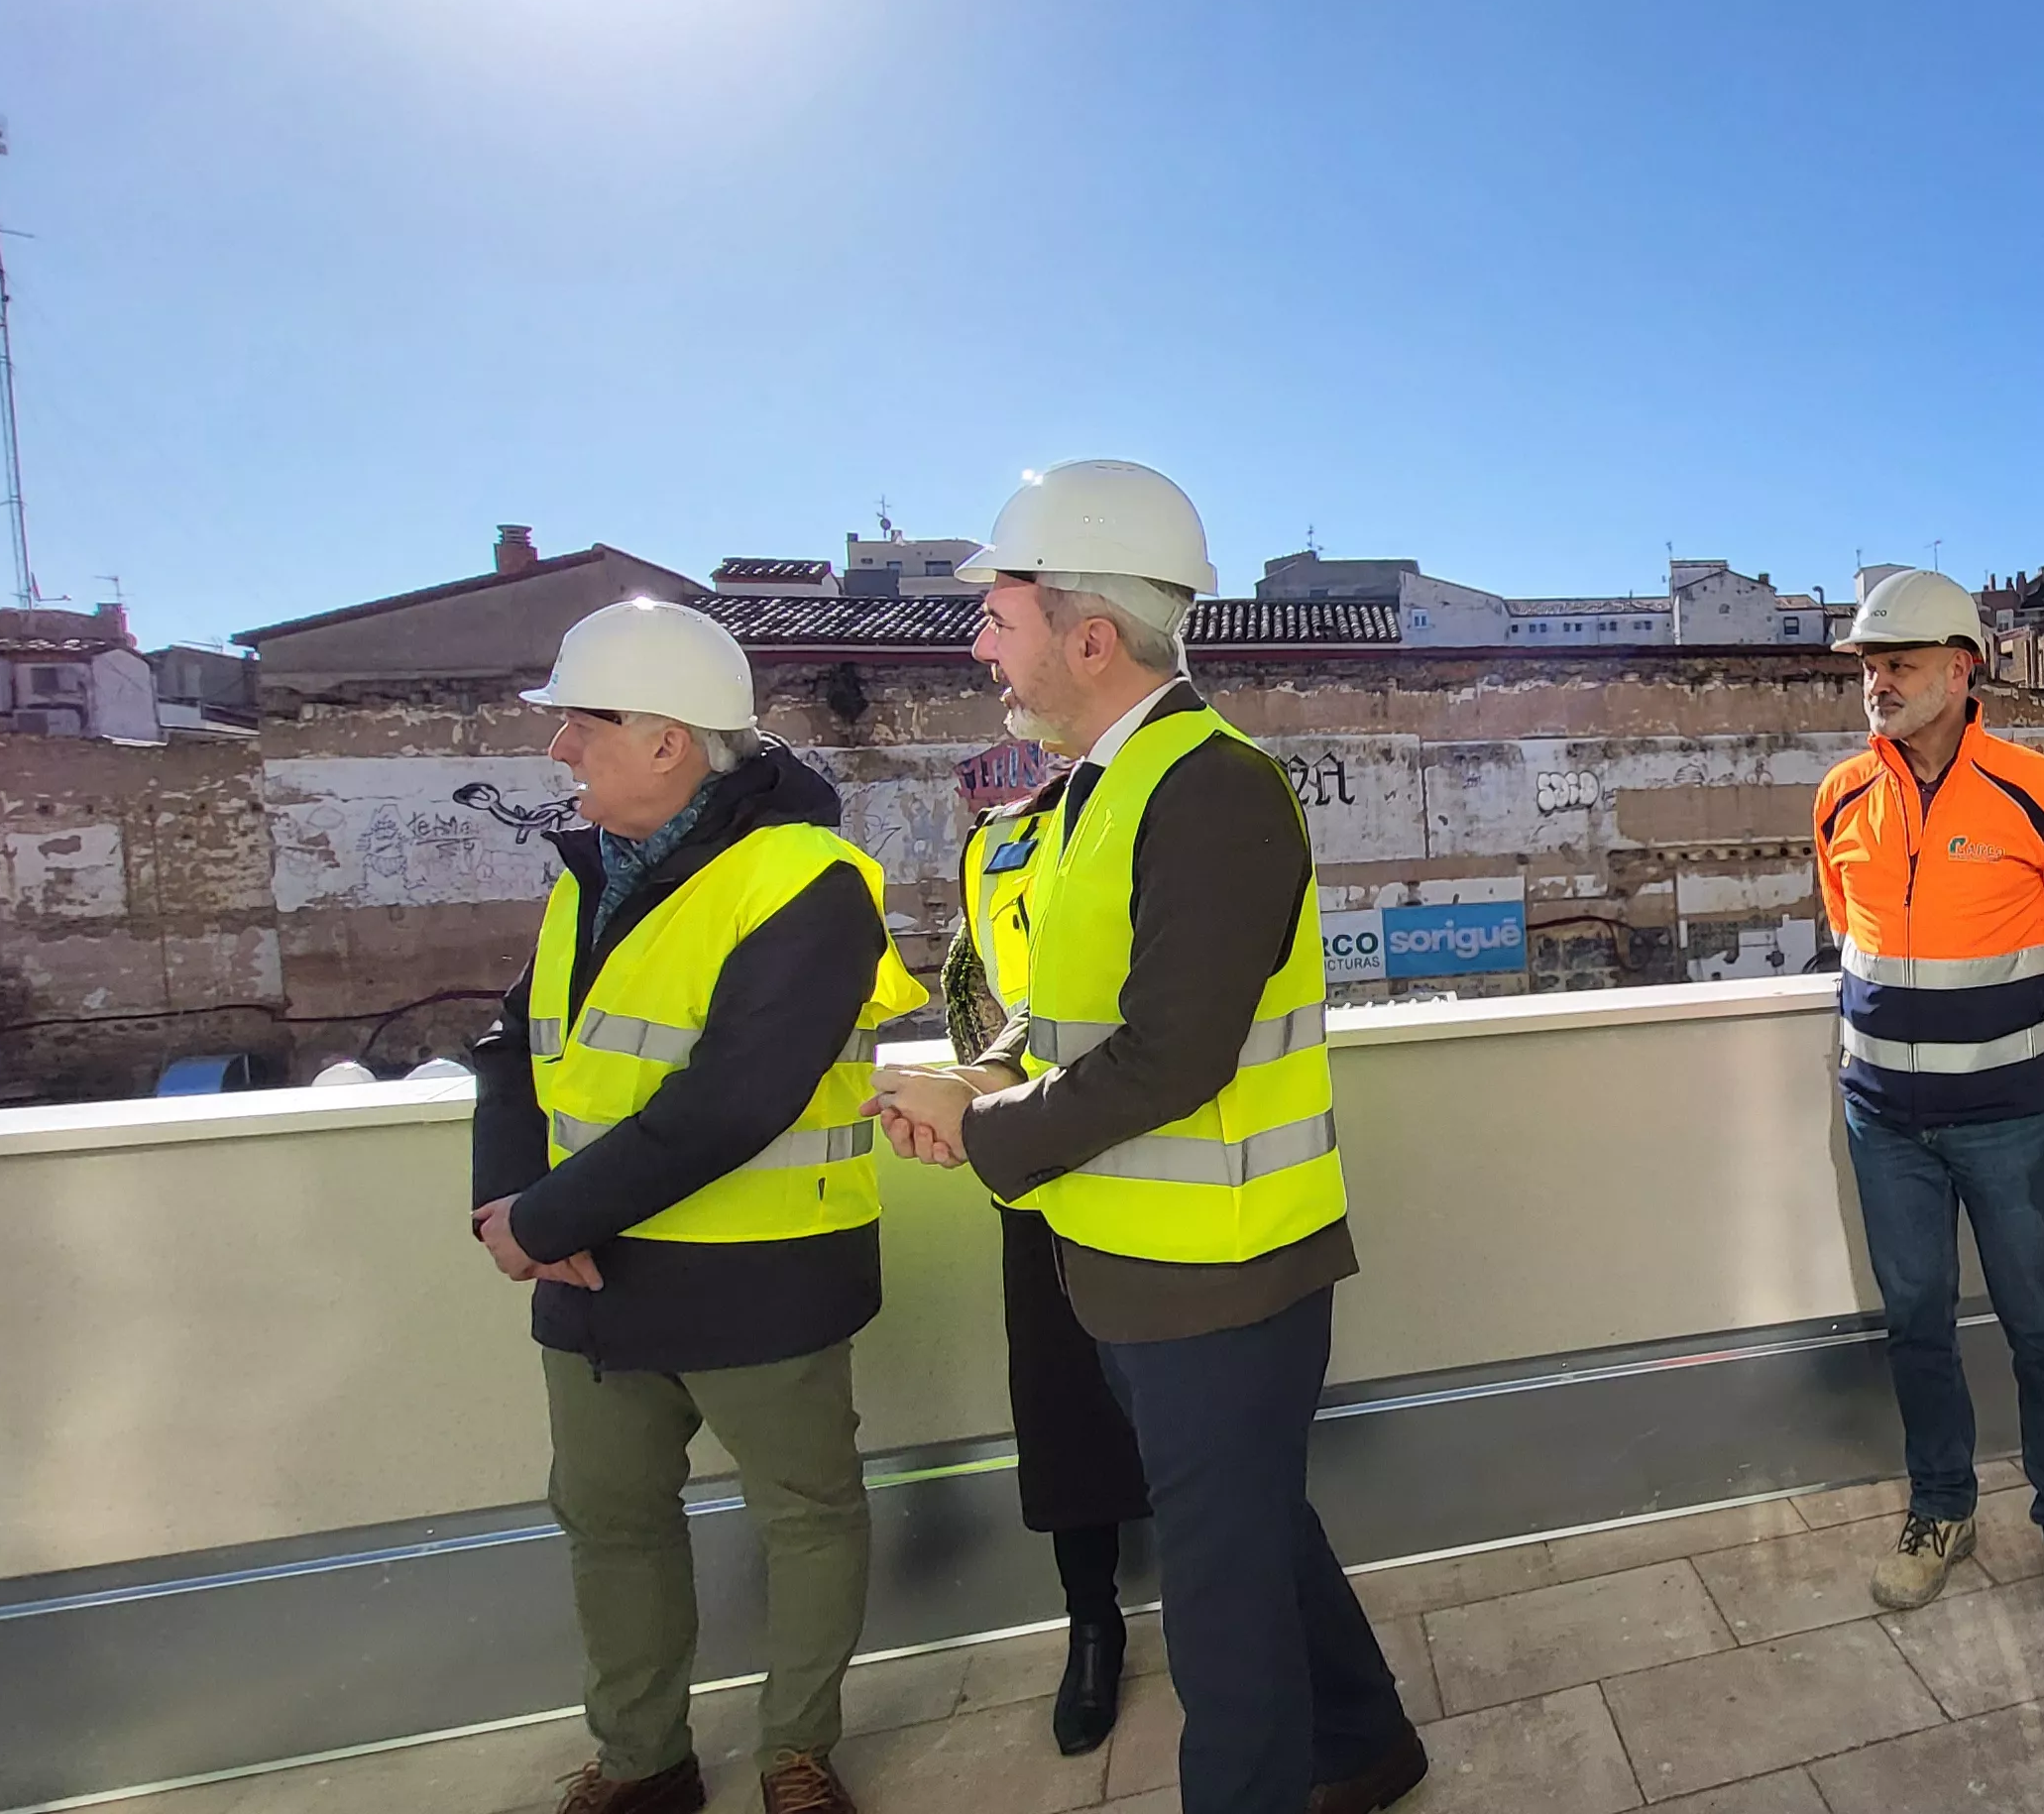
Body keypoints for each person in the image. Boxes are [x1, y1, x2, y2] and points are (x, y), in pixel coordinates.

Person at [866, 460, 1422, 1814]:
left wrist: (992, 1139)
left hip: (1220, 1280)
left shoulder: (1207, 787)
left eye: (998, 617)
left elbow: (1175, 1054)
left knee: (1223, 1623)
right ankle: (1366, 1744)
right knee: (1251, 1539)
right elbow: (1063, 1017)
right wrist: (972, 1084)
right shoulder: (1096, 791)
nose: (979, 644)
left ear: (1089, 635)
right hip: (1130, 1262)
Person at [466, 598, 929, 1814]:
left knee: (806, 1515)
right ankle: (641, 1762)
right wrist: (508, 1204)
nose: (559, 750)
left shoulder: (806, 881)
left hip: (759, 1273)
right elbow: (516, 1051)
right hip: (594, 1284)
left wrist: (545, 1223)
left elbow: (739, 1097)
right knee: (609, 1523)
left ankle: (796, 1753)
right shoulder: (588, 877)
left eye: (582, 724)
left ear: (668, 739)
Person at [1813, 568, 2044, 1640]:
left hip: (2005, 1123)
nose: (1877, 683)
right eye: (1867, 665)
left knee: (2042, 1325)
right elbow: (1849, 933)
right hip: (1880, 1123)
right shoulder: (1843, 795)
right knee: (1916, 1326)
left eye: (1897, 663)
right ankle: (1939, 1510)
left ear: (1961, 668)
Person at [935, 755, 1154, 1758]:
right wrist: (982, 1091)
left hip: (1163, 1148)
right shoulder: (1001, 844)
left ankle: (1213, 1610)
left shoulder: (1158, 809)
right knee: (1063, 1403)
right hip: (1037, 1149)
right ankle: (1093, 1624)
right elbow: (998, 993)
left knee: (1188, 1395)